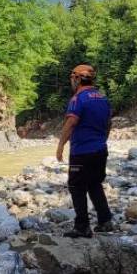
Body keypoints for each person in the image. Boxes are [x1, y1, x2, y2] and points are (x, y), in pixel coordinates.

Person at [56, 64, 114, 238]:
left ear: (77, 78)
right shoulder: (103, 97)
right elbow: (109, 122)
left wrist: (60, 145)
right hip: (100, 149)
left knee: (77, 186)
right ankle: (105, 221)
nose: (72, 82)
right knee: (94, 184)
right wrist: (103, 139)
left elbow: (71, 122)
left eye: (73, 78)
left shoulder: (78, 99)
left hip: (82, 151)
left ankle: (82, 226)